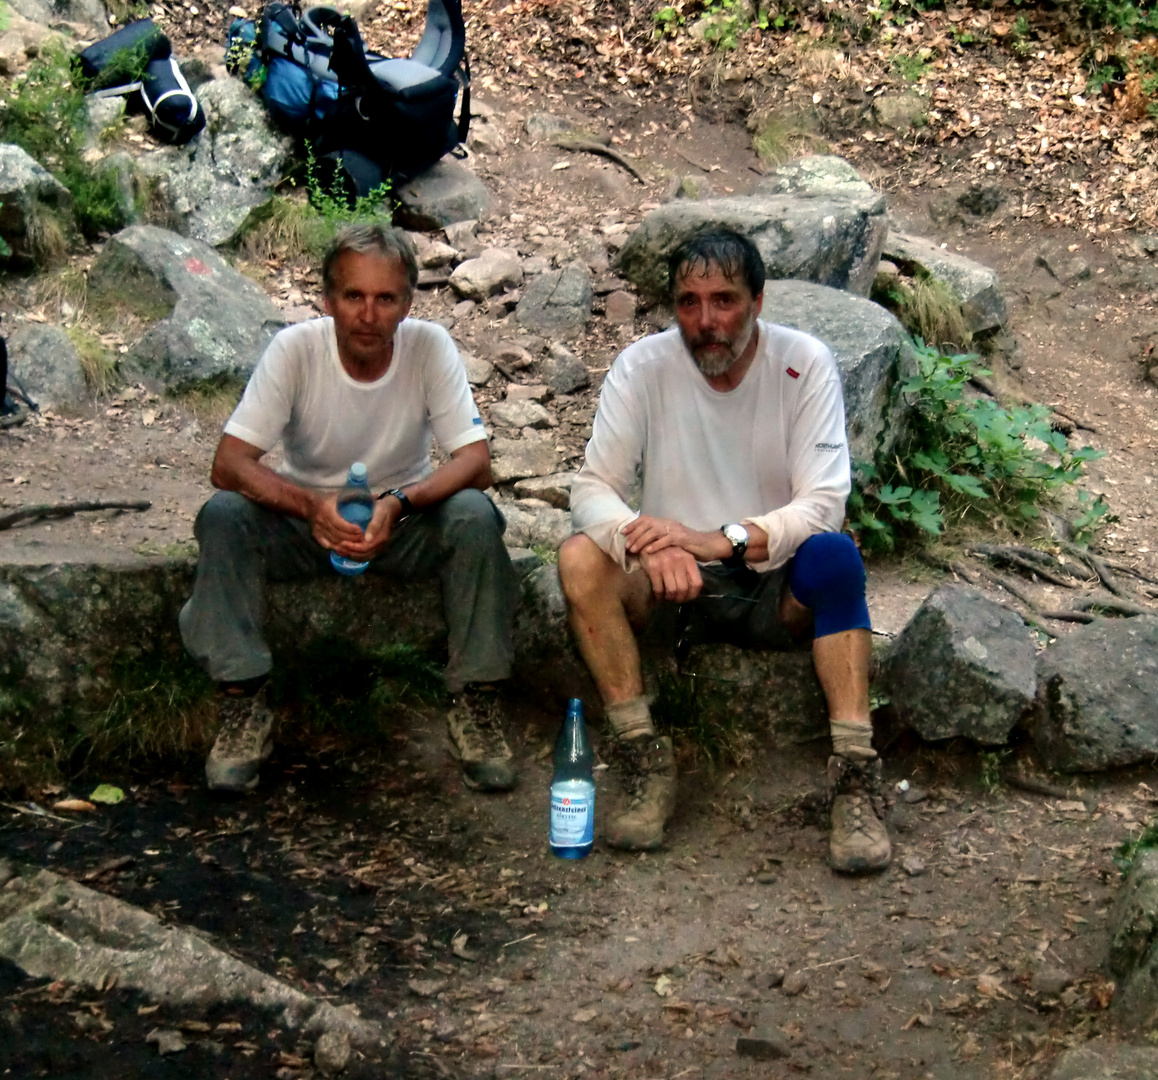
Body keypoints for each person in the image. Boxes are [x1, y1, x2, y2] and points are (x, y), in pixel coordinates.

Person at [558, 227, 890, 873]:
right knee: (579, 556)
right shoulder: (644, 367)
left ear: (758, 301)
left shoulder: (804, 363)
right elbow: (593, 485)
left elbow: (824, 501)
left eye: (724, 300)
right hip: (672, 585)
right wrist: (644, 541)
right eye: (688, 302)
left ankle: (854, 773)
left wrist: (724, 538)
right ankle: (641, 754)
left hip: (771, 578)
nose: (706, 321)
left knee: (837, 558)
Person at [180, 223, 520, 795]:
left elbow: (476, 462)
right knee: (224, 515)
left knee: (473, 516)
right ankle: (242, 700)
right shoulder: (295, 350)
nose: (368, 315)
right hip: (306, 520)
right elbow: (230, 463)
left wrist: (398, 501)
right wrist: (311, 506)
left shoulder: (429, 346)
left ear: (407, 303)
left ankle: (476, 705)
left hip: (401, 519)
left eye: (386, 298)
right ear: (327, 299)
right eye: (353, 296)